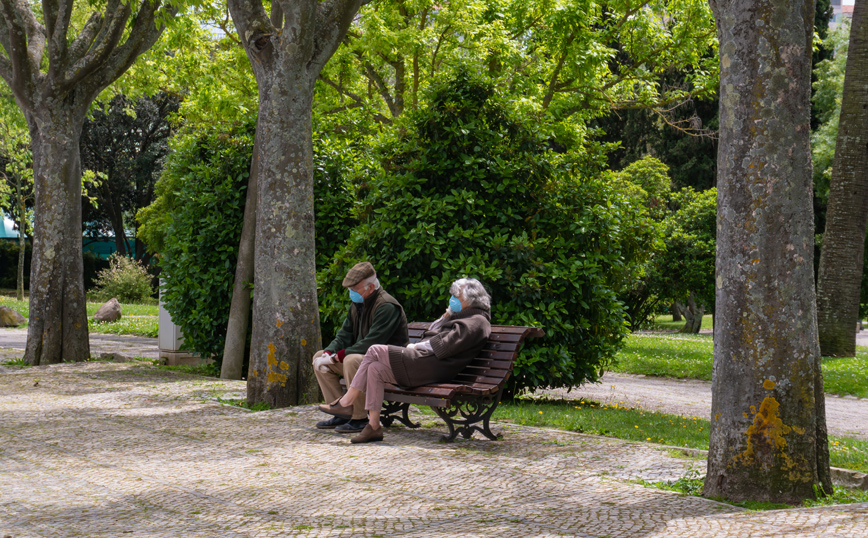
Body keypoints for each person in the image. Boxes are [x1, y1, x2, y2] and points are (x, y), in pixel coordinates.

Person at [319, 277, 492, 443]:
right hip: (426, 363)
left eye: (456, 297)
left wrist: (416, 347)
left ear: (471, 299)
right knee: (375, 369)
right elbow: (433, 332)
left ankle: (346, 401)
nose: (452, 299)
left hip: (431, 365)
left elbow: (444, 345)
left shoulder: (477, 321)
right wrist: (446, 316)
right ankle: (372, 427)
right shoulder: (462, 317)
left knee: (374, 350)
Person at [312, 262, 409, 433]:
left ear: (371, 287)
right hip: (365, 361)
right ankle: (341, 412)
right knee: (319, 357)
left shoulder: (386, 306)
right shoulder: (358, 305)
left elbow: (371, 343)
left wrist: (337, 356)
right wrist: (328, 353)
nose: (351, 293)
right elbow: (344, 335)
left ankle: (359, 418)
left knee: (352, 360)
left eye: (354, 289)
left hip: (389, 365)